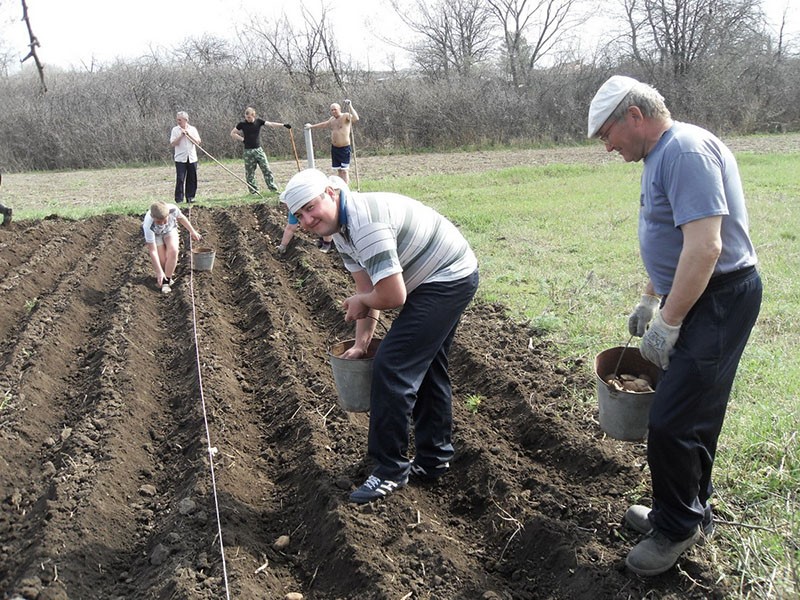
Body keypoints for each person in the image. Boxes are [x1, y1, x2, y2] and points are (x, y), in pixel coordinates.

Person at [588, 75, 762, 576]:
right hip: (698, 295)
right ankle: (687, 509)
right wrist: (650, 297)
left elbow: (706, 248)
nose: (608, 146)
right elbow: (674, 237)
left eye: (607, 134)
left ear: (634, 117)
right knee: (694, 412)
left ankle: (678, 528)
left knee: (672, 419)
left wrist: (669, 320)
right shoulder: (661, 155)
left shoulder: (684, 151)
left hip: (719, 299)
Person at [280, 169, 479, 504]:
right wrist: (360, 344)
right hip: (435, 277)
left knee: (392, 366)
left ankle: (389, 469)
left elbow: (391, 296)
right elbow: (368, 287)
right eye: (299, 215)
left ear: (331, 193)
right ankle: (434, 459)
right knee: (427, 366)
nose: (308, 219)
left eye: (310, 208)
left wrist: (362, 303)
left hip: (447, 277)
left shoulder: (364, 224)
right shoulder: (341, 231)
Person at [142, 201, 202, 294]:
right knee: (162, 260)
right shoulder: (148, 225)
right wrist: (159, 272)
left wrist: (192, 231)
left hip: (170, 230)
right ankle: (164, 276)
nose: (162, 224)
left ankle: (166, 281)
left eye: (164, 220)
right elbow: (152, 251)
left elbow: (182, 218)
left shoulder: (173, 209)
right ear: (153, 217)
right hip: (156, 235)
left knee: (173, 251)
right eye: (158, 222)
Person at [230, 107, 291, 194]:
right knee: (250, 172)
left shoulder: (259, 122)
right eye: (246, 117)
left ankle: (273, 189)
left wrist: (283, 125)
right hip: (248, 151)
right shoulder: (242, 124)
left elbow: (271, 124)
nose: (247, 119)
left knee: (266, 169)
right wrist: (242, 139)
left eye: (249, 117)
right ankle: (254, 191)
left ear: (253, 115)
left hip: (258, 150)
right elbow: (232, 133)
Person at [304, 99, 359, 184]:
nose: (333, 111)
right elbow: (324, 124)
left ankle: (346, 188)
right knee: (339, 170)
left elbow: (356, 118)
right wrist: (311, 126)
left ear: (339, 109)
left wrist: (350, 106)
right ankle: (341, 187)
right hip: (335, 148)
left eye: (335, 109)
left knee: (344, 170)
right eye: (332, 110)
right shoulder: (332, 119)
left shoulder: (345, 116)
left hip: (344, 148)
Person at [169, 111, 201, 204]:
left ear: (186, 120)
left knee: (192, 178)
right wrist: (181, 135)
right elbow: (173, 143)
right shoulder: (175, 130)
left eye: (180, 120)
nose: (178, 121)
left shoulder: (193, 129)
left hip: (192, 158)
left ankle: (190, 197)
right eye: (177, 119)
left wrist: (188, 134)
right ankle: (179, 199)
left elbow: (198, 142)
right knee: (180, 178)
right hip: (180, 159)